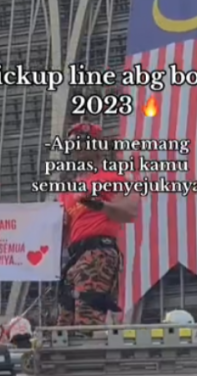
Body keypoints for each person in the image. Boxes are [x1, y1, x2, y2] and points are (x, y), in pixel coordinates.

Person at [57, 122, 138, 327]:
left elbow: (130, 211)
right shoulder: (67, 192)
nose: (80, 147)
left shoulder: (113, 178)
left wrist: (101, 206)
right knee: (65, 321)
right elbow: (61, 234)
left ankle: (91, 354)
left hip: (98, 251)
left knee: (88, 315)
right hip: (75, 257)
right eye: (76, 143)